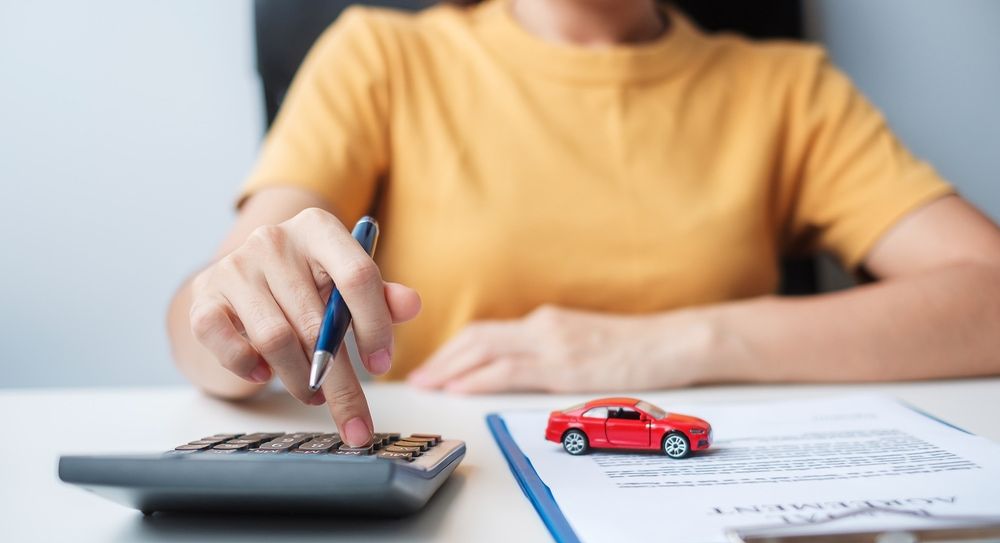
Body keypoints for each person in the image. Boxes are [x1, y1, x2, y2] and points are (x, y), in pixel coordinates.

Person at [167, 0, 1000, 446]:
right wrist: (229, 304)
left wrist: (673, 344)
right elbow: (205, 325)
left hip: (708, 493)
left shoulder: (786, 89)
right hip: (458, 503)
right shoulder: (379, 55)